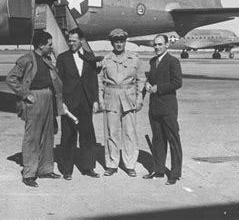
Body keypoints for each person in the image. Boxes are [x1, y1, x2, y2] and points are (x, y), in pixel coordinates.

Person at [6, 30, 64, 187]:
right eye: (49, 45)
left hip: (48, 98)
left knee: (48, 135)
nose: (51, 47)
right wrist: (25, 94)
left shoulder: (46, 59)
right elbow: (11, 79)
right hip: (34, 98)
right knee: (32, 137)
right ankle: (29, 174)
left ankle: (45, 169)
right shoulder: (26, 60)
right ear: (41, 45)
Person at [98, 28, 145, 177]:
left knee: (130, 133)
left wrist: (139, 99)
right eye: (116, 42)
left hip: (129, 98)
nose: (119, 44)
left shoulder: (134, 59)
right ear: (112, 43)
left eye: (122, 41)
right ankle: (112, 164)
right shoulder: (106, 60)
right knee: (112, 133)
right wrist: (100, 99)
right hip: (111, 98)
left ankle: (130, 164)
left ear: (125, 42)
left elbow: (141, 80)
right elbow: (99, 81)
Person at [56, 28, 100, 181]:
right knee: (68, 136)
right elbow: (59, 82)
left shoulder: (89, 57)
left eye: (74, 41)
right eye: (69, 40)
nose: (71, 43)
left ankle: (88, 167)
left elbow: (93, 80)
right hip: (69, 103)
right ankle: (67, 169)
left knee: (87, 136)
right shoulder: (62, 58)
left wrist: (95, 100)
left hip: (85, 102)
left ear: (81, 41)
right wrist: (61, 102)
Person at [143, 34, 183, 185]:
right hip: (154, 107)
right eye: (155, 45)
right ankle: (158, 170)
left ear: (167, 45)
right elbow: (151, 79)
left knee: (173, 140)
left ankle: (175, 173)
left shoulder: (173, 61)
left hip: (168, 107)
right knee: (158, 140)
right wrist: (147, 85)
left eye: (160, 44)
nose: (157, 47)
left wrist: (158, 88)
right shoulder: (153, 61)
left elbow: (177, 82)